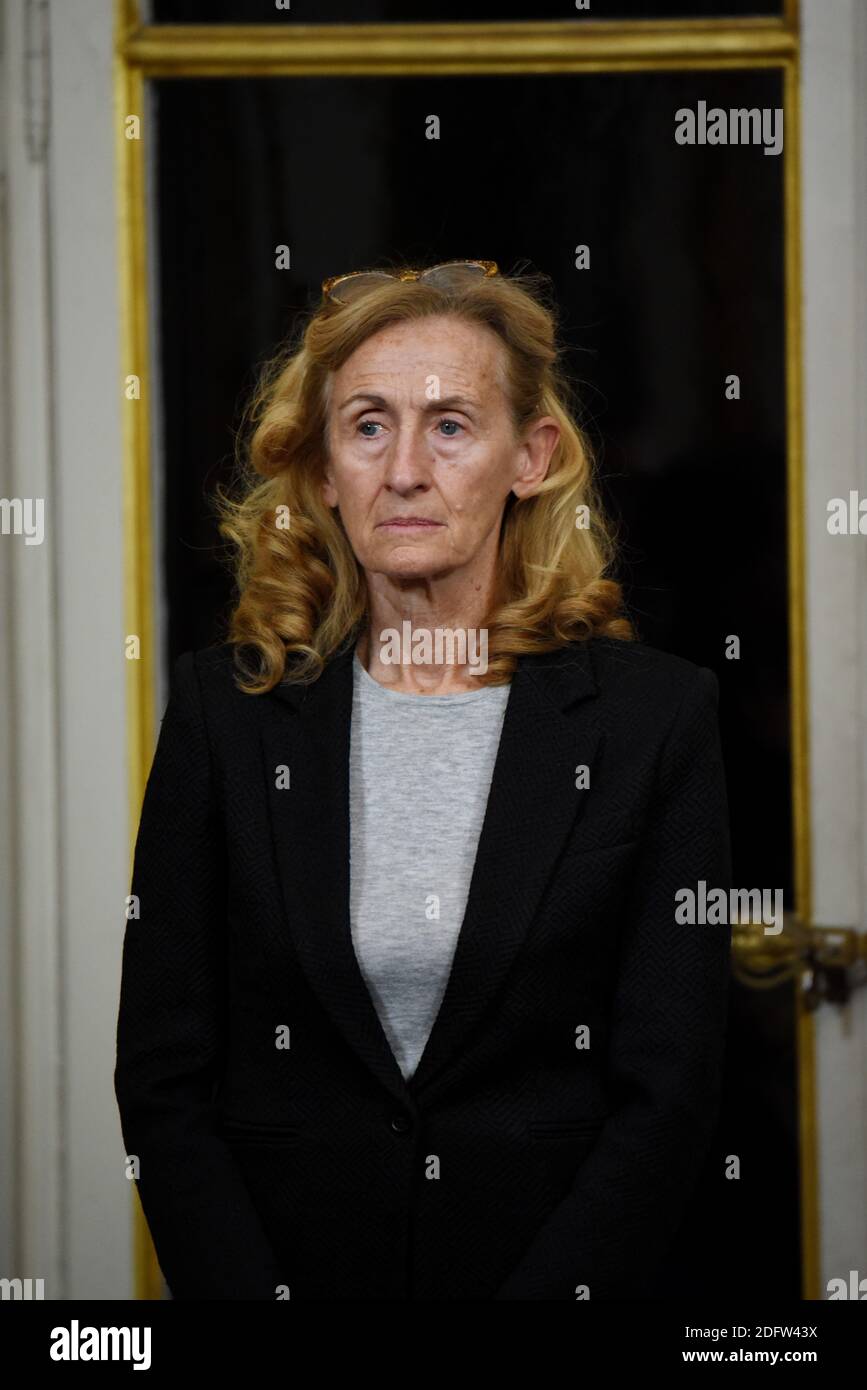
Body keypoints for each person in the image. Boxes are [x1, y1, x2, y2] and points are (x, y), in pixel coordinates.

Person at [114, 259, 732, 1300]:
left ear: (529, 456)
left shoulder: (653, 720)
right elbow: (164, 1073)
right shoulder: (226, 713)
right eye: (366, 425)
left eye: (450, 425)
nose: (404, 468)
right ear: (321, 469)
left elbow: (667, 1094)